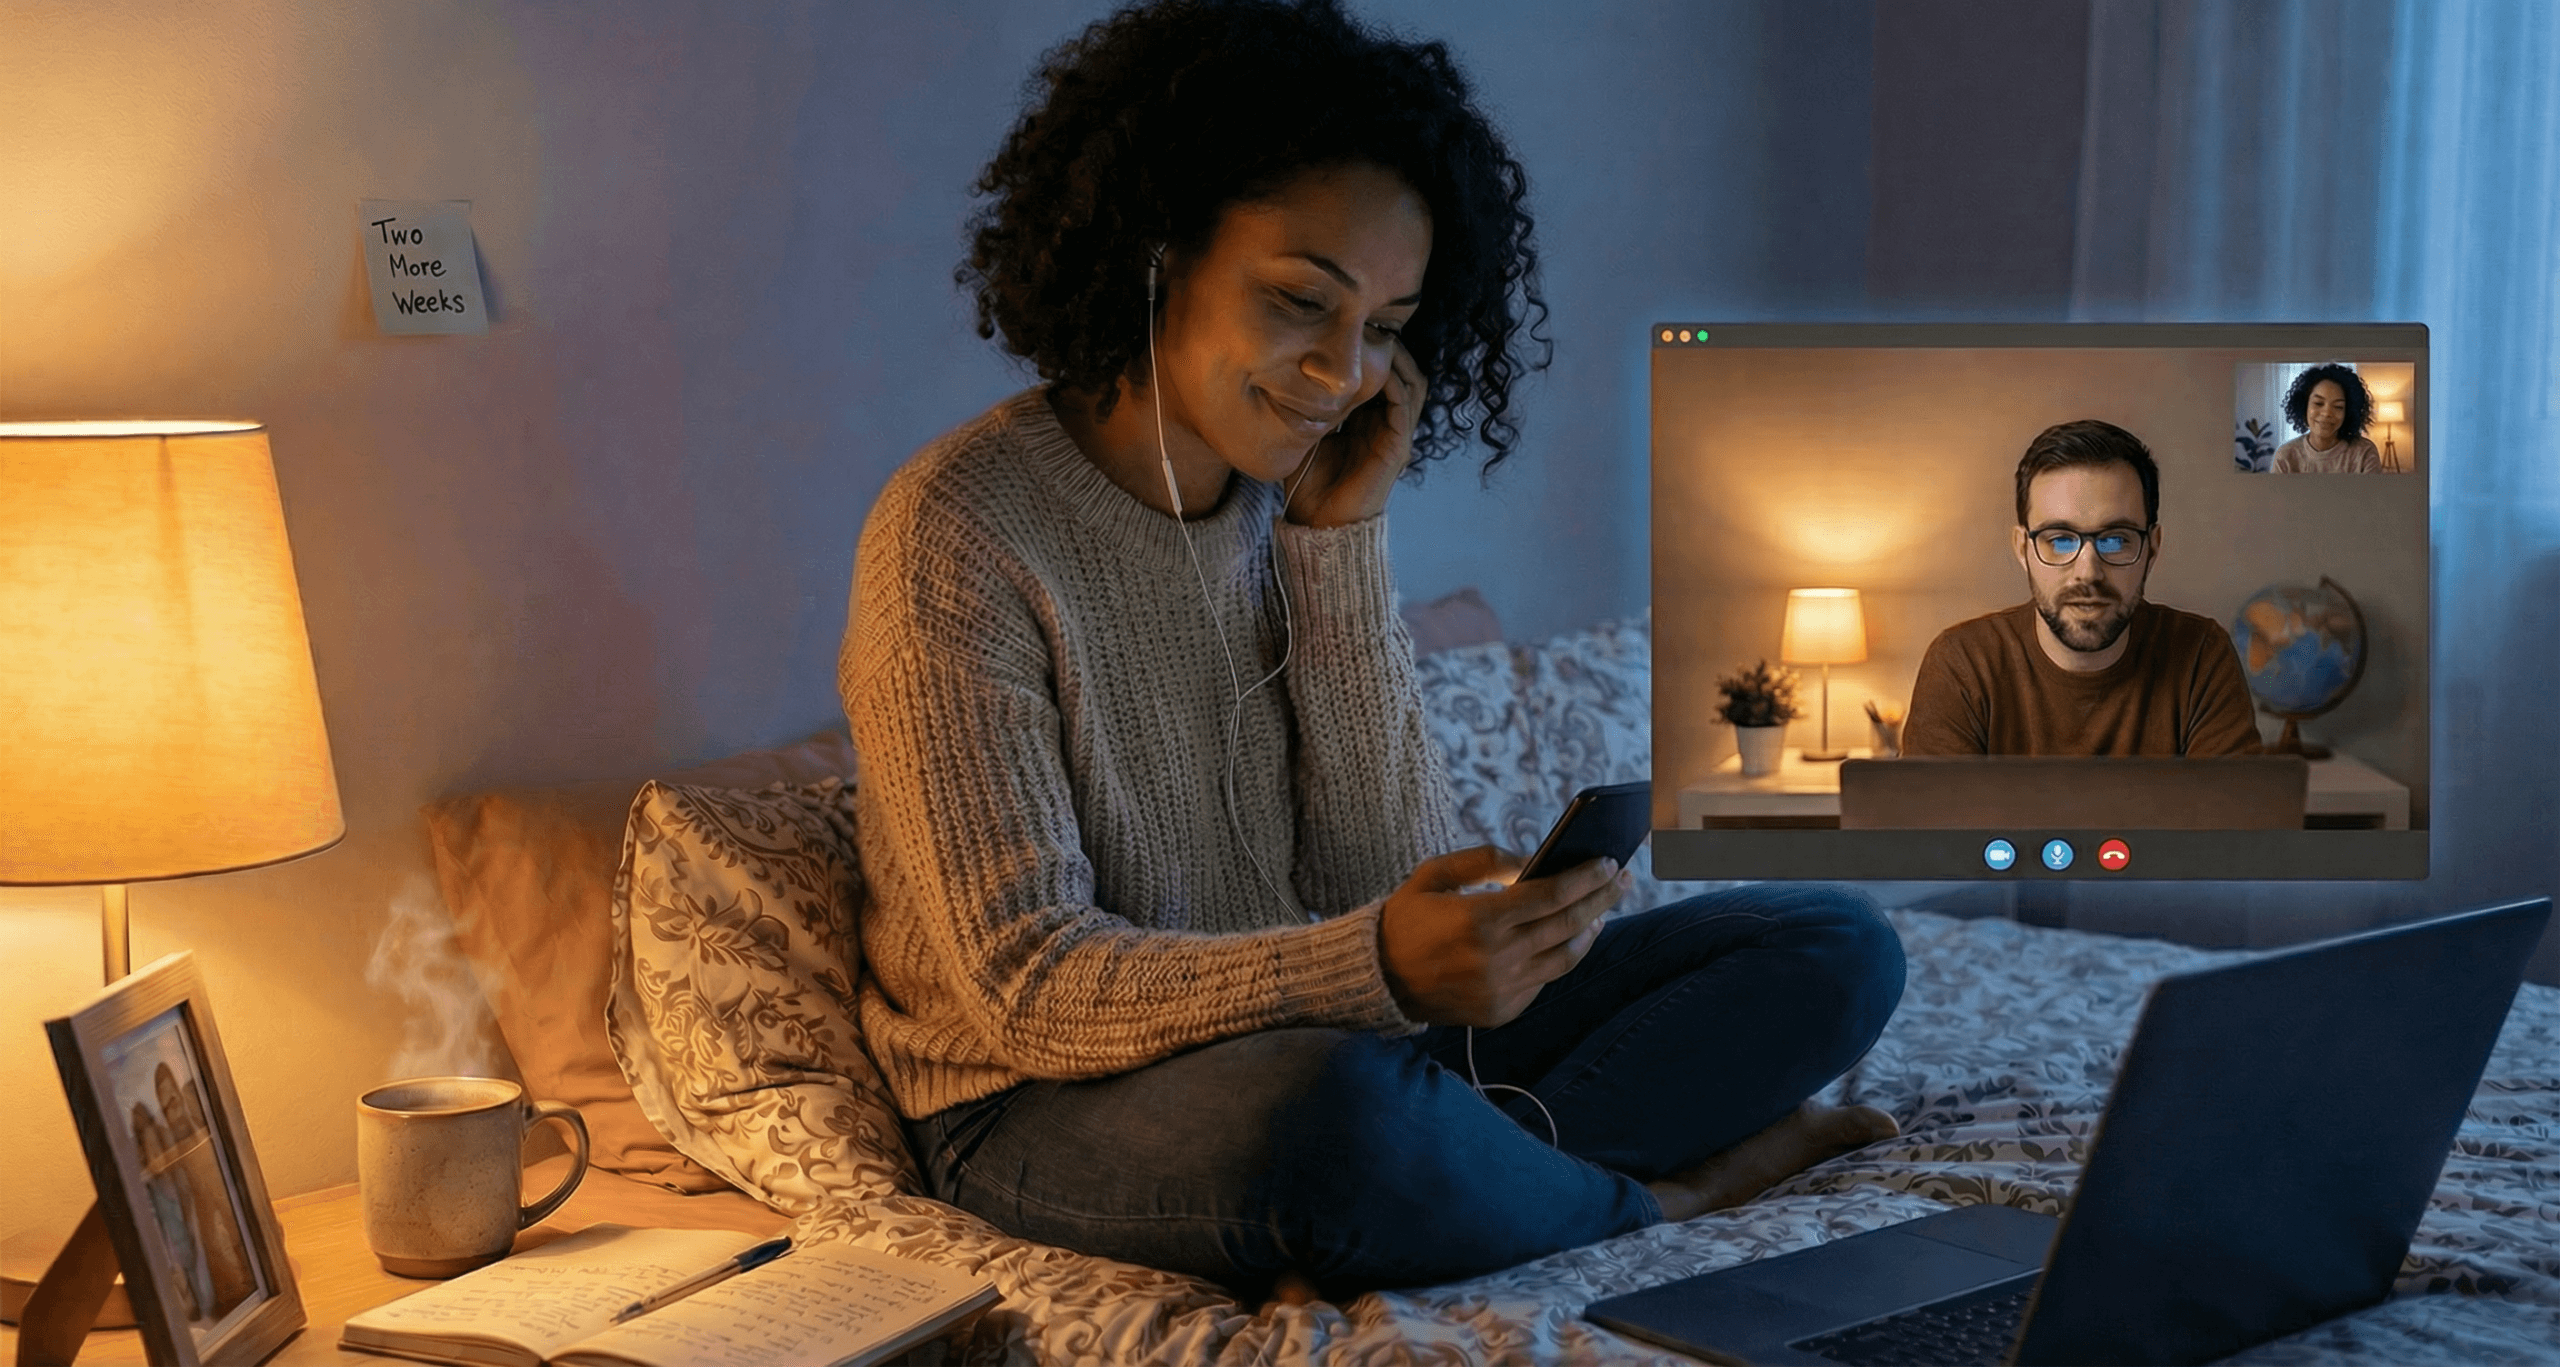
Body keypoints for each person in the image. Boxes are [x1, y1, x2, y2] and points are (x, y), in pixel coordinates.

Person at [839, 0, 1904, 1299]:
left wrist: (1340, 548)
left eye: (1388, 327)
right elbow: (1022, 980)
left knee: (1833, 943)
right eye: (1302, 301)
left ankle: (1486, 1172)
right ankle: (1651, 1194)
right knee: (1333, 1116)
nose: (1344, 372)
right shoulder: (958, 528)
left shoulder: (1281, 506)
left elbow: (1387, 872)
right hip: (1045, 1101)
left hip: (1328, 1029)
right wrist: (1371, 963)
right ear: (1154, 251)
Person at [1903, 420, 2263, 758]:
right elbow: (1936, 824)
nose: (2088, 573)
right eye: (2060, 540)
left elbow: (2232, 821)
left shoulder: (2201, 656)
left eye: (2115, 540)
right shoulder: (1962, 665)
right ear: (2022, 549)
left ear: (2152, 548)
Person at [2270, 363, 2386, 473]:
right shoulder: (2286, 456)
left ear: (2348, 411)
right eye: (2318, 403)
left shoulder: (2364, 453)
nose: (2327, 413)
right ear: (2304, 405)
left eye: (2338, 406)